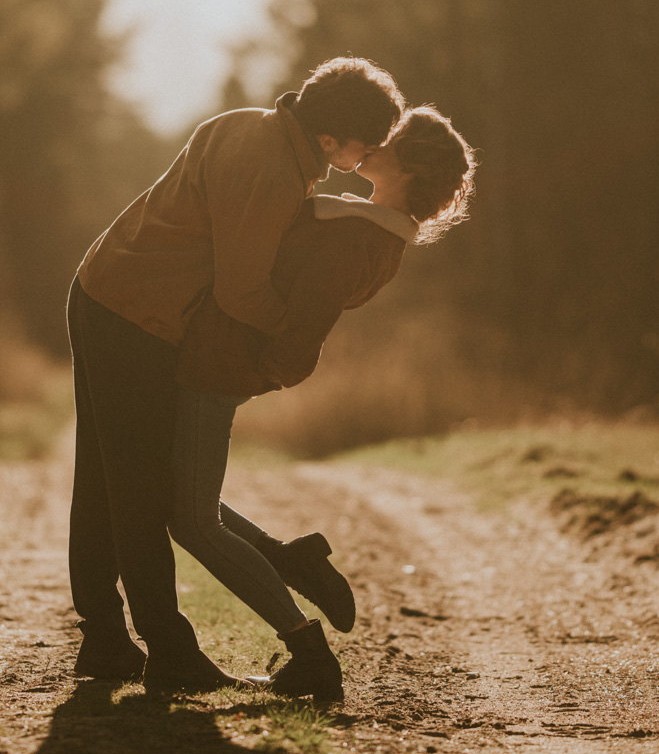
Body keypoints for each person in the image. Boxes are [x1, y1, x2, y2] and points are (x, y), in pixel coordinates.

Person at [67, 57, 406, 690]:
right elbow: (242, 292)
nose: (370, 156)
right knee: (139, 488)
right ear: (331, 139)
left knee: (104, 475)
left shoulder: (251, 125)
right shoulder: (274, 173)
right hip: (137, 317)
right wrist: (294, 330)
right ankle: (166, 649)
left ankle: (106, 641)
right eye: (367, 144)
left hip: (104, 289)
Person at [168, 106, 477, 702]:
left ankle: (308, 650)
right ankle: (293, 561)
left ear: (409, 167)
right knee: (180, 498)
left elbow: (303, 330)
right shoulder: (364, 225)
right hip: (218, 357)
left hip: (220, 364)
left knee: (193, 521)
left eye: (392, 139)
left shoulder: (358, 234)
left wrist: (258, 367)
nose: (376, 141)